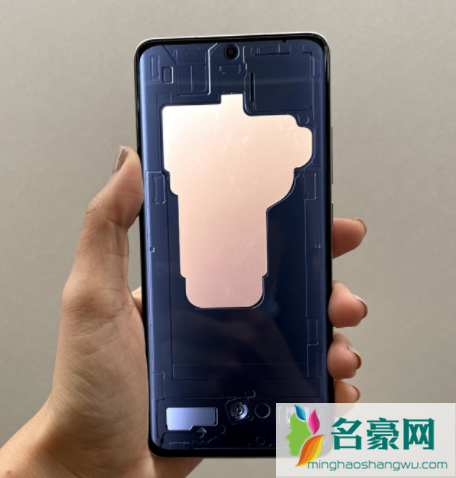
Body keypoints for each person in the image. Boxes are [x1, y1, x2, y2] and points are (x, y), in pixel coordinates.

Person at [0, 146, 368, 478]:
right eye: (214, 222)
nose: (234, 248)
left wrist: (306, 420)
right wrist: (74, 460)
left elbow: (315, 442)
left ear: (286, 237)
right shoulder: (144, 328)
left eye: (251, 221)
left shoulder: (291, 328)